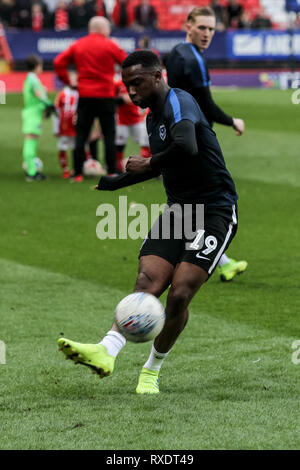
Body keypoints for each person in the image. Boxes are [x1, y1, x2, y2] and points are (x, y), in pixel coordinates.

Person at [58, 50, 239, 394]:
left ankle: (151, 371)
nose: (131, 91)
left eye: (137, 83)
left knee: (180, 294)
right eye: (126, 85)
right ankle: (106, 350)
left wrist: (146, 163)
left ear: (158, 76)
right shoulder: (152, 117)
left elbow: (186, 146)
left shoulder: (179, 102)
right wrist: (116, 182)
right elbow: (162, 166)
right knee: (147, 281)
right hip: (180, 211)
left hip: (215, 211)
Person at [166, 7, 247, 282]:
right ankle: (208, 260)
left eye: (211, 29)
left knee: (189, 202)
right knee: (218, 202)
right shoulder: (193, 57)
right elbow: (207, 105)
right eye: (202, 27)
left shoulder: (177, 52)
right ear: (188, 24)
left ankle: (219, 261)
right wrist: (232, 120)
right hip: (195, 140)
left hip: (177, 136)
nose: (207, 34)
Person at [54, 16, 127, 181]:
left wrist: (69, 81)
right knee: (109, 135)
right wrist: (124, 83)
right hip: (106, 96)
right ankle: (112, 171)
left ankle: (78, 173)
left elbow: (58, 62)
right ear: (102, 29)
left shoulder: (79, 44)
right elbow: (127, 62)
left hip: (85, 95)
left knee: (81, 135)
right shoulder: (110, 45)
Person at [22, 54, 54, 181]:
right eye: (40, 65)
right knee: (30, 140)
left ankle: (31, 169)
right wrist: (49, 104)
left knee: (31, 140)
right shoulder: (33, 79)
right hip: (33, 114)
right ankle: (32, 172)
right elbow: (39, 95)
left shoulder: (30, 78)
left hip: (31, 113)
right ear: (36, 66)